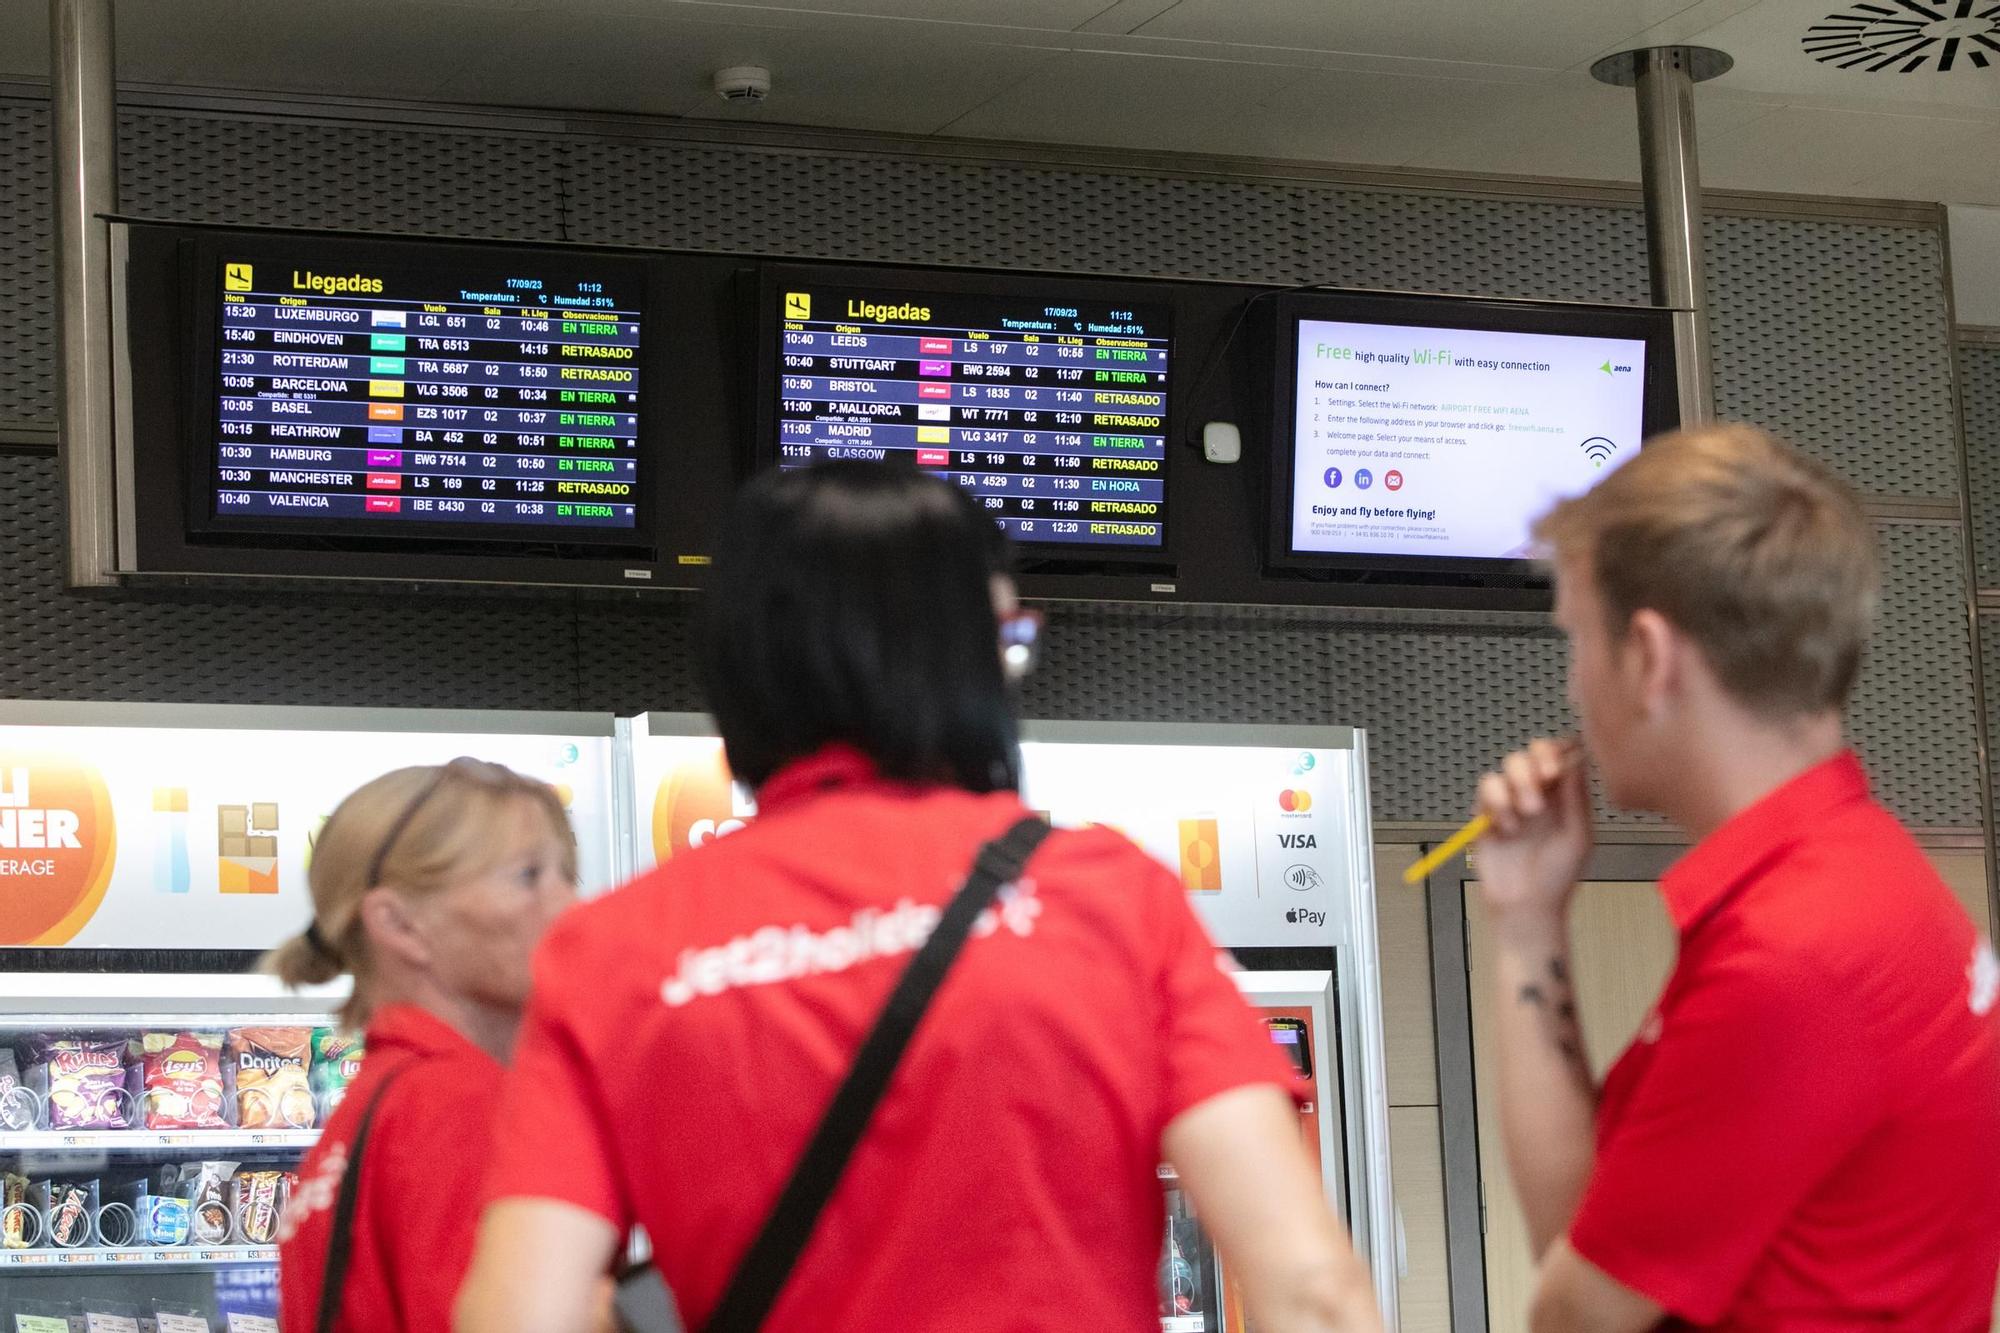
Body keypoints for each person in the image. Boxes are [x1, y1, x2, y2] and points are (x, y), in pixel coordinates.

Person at [455, 462, 1383, 1333]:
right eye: (1009, 643)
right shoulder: (1104, 895)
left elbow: (517, 1312)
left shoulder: (612, 949)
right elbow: (1309, 1288)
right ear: (962, 663)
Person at [1471, 424, 2000, 1331]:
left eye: (1577, 641)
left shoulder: (1792, 959)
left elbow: (1571, 1313)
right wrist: (1527, 920)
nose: (1572, 689)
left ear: (1649, 656)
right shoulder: (1862, 885)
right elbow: (1594, 1238)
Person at [268, 758, 583, 1333]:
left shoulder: (378, 1105)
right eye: (529, 876)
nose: (570, 907)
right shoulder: (462, 1104)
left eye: (569, 875)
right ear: (400, 924)